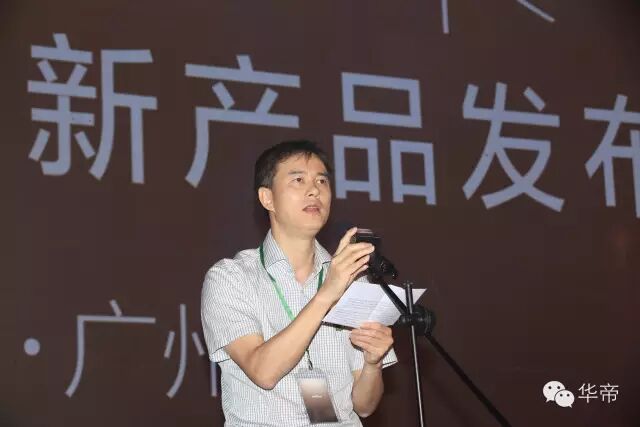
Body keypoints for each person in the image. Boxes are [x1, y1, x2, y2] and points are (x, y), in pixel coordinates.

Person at [201, 140, 397, 426]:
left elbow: (364, 406)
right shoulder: (230, 277)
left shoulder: (355, 280)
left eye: (322, 181)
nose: (314, 190)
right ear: (267, 198)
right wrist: (328, 293)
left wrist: (372, 363)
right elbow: (263, 372)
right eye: (298, 180)